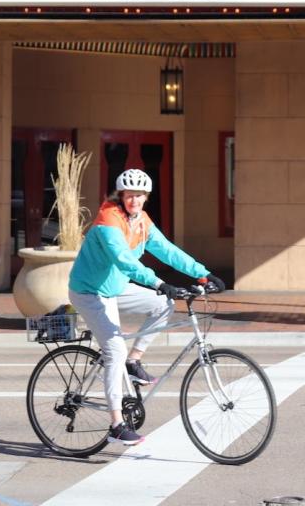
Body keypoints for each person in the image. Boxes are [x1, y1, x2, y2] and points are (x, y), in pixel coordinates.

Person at [68, 168, 225, 446]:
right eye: (130, 195)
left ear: (146, 197)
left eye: (140, 195)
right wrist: (158, 281)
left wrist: (202, 273)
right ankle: (116, 424)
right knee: (114, 348)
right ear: (121, 195)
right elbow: (124, 261)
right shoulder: (108, 220)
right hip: (89, 291)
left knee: (163, 304)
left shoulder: (141, 221)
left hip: (115, 288)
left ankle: (134, 360)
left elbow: (167, 250)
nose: (134, 200)